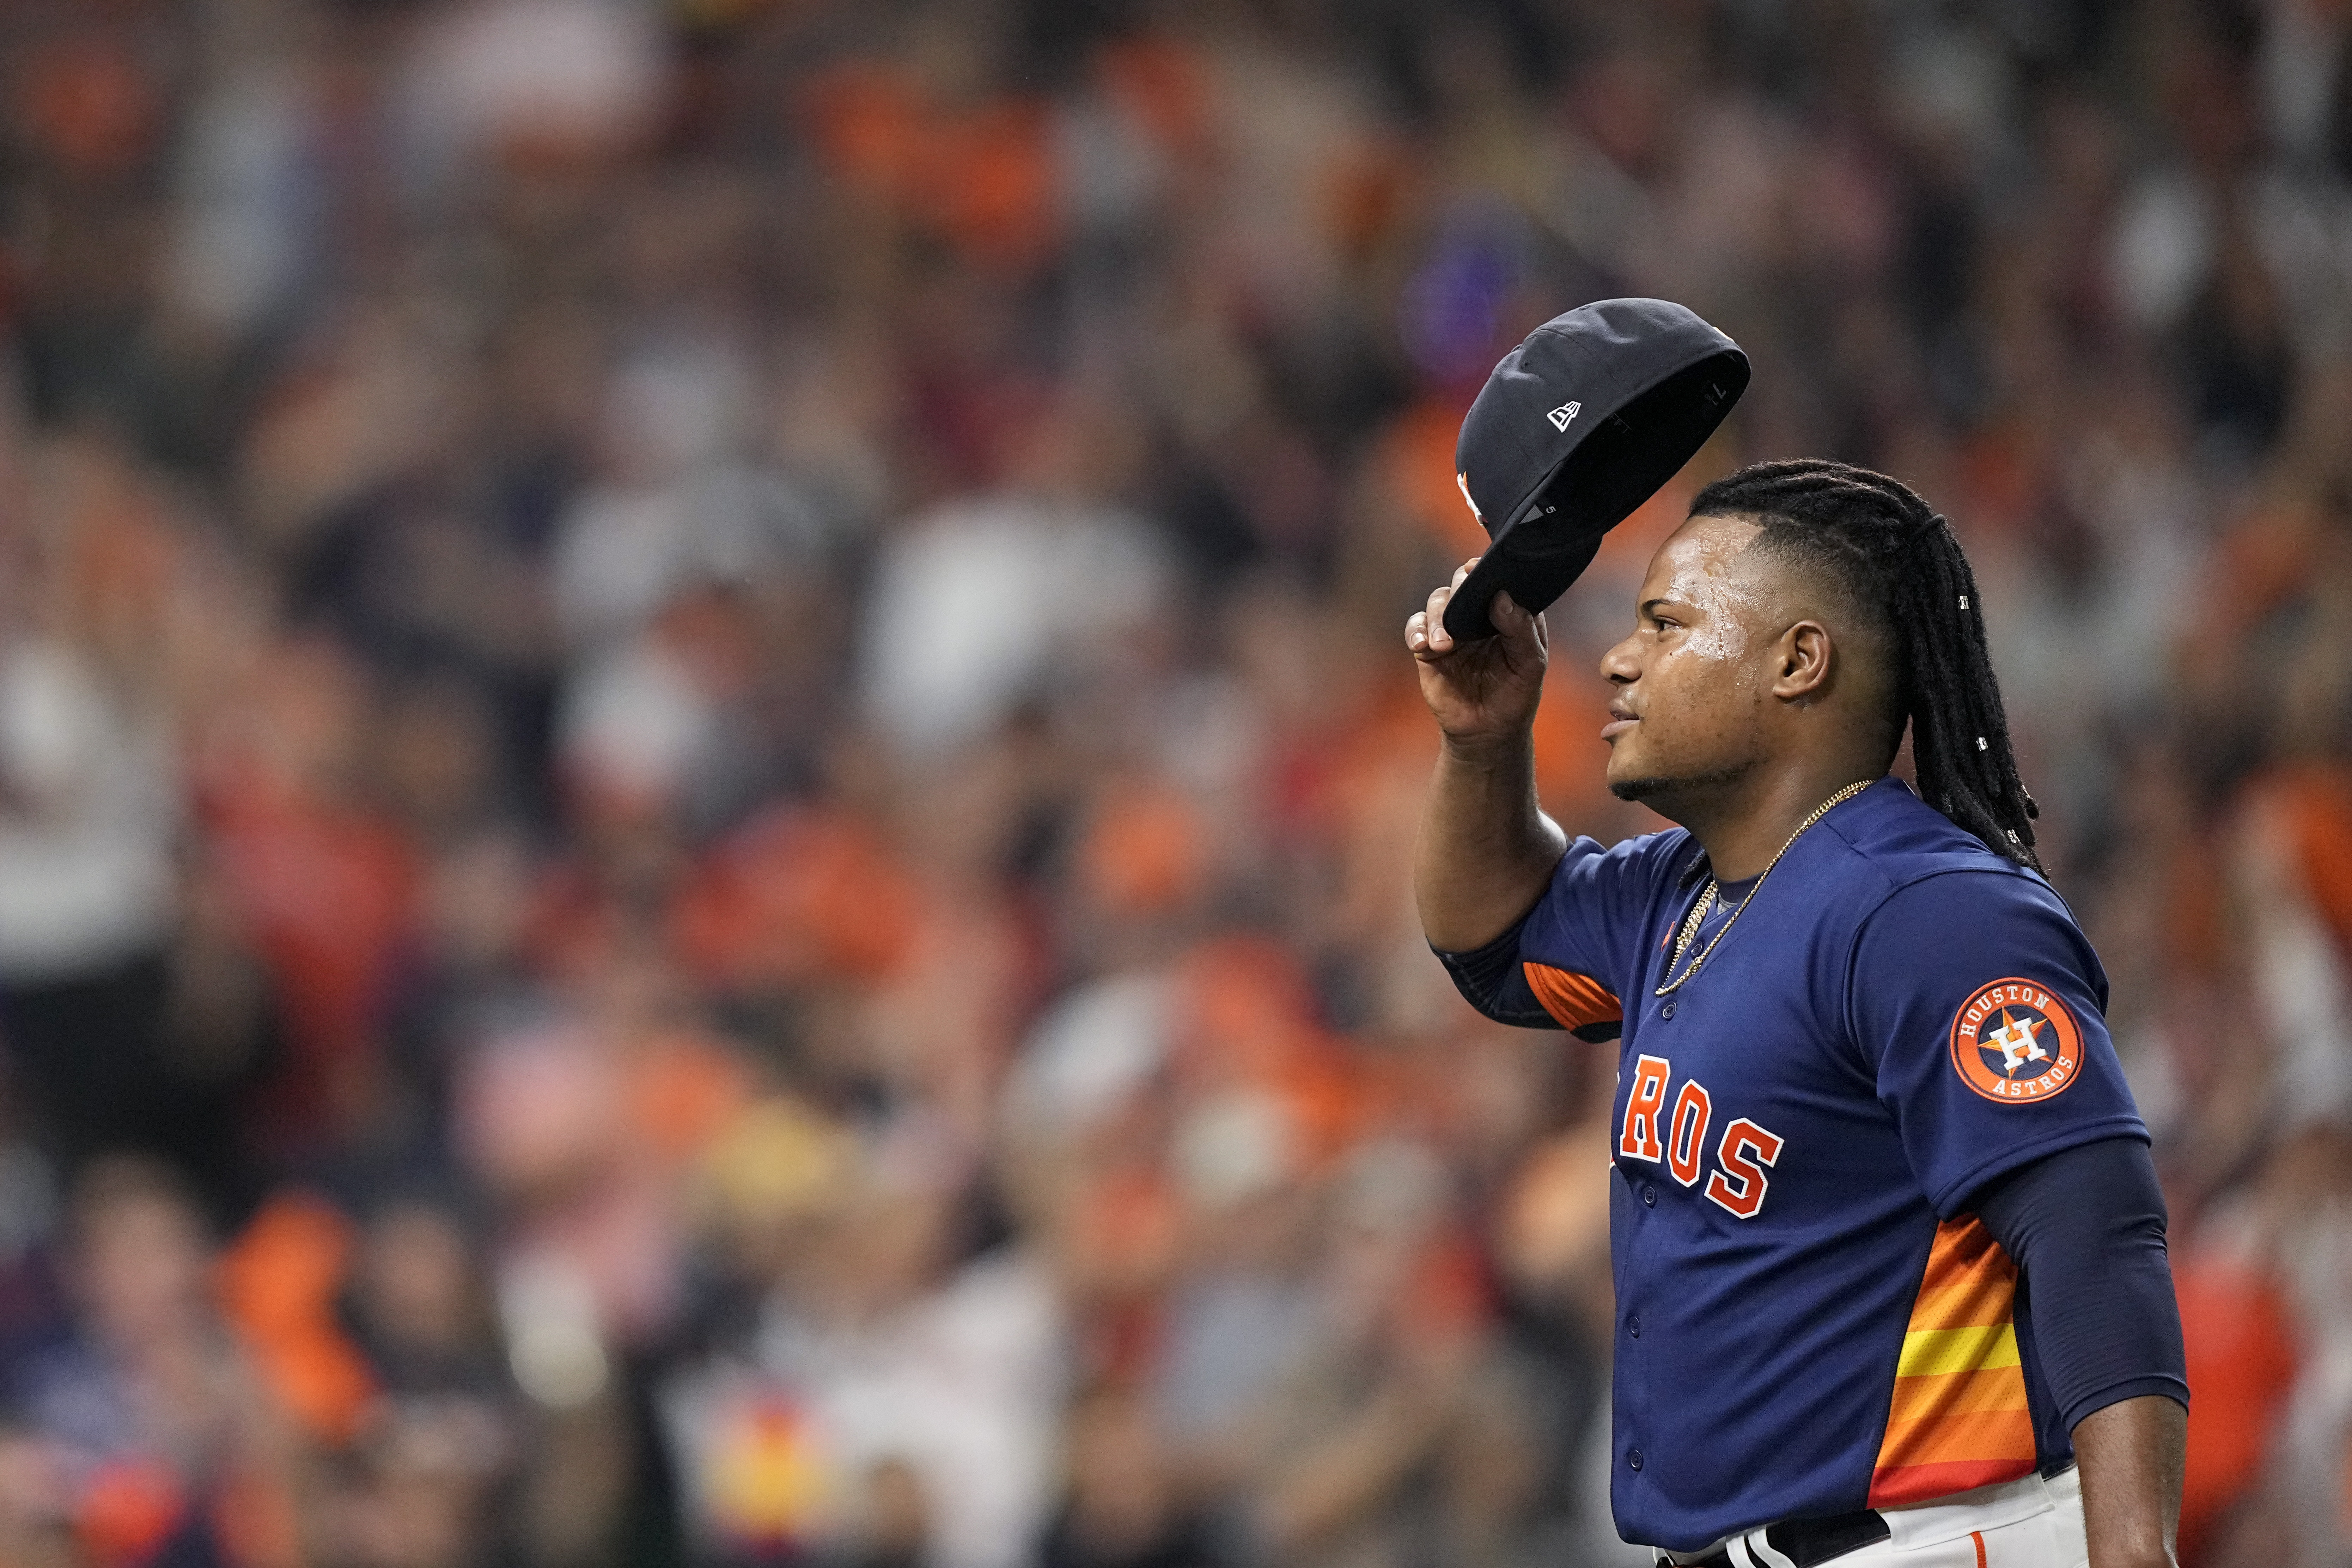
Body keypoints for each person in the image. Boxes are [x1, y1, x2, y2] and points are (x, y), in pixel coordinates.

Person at [1406, 459, 2188, 1568]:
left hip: (1933, 1538)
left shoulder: (1931, 911)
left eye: (1666, 623)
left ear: (1799, 661)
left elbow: (2097, 1239)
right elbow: (1488, 945)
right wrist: (1484, 745)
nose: (1619, 658)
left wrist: (2135, 1557)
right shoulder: (1675, 890)